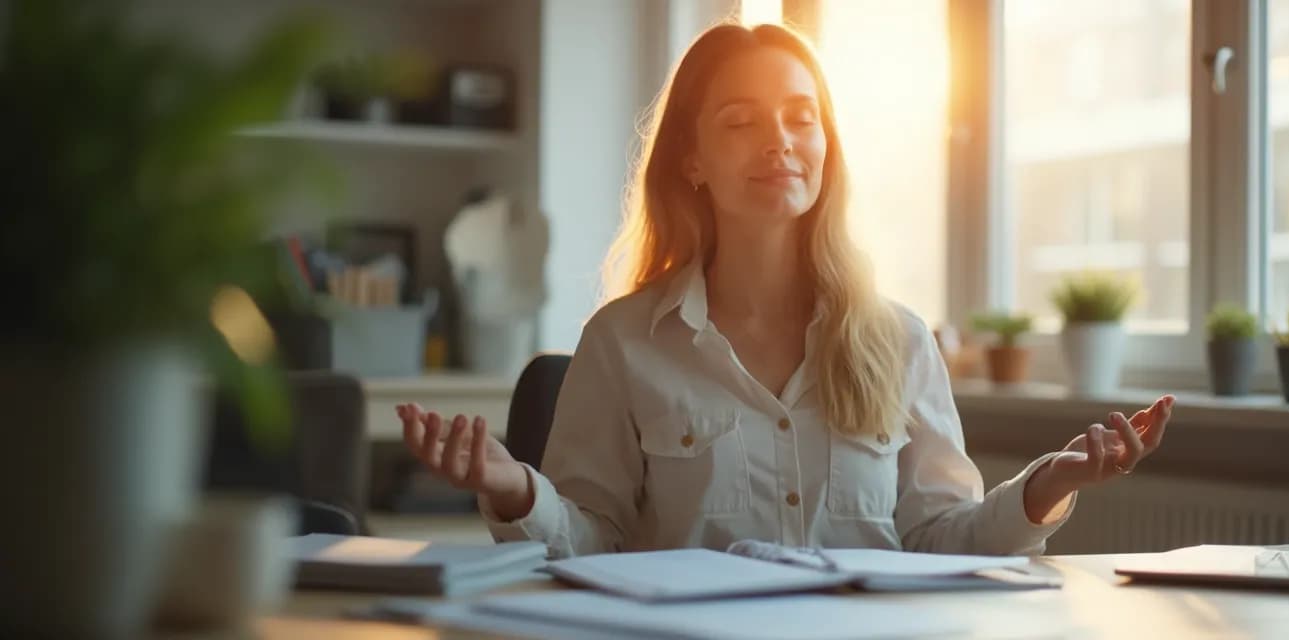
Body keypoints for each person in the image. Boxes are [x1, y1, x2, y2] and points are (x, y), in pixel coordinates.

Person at [397, 22, 1174, 559]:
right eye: (740, 122)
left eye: (801, 118)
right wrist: (513, 490)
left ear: (826, 145)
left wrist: (1051, 485)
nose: (779, 141)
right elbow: (595, 544)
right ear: (692, 159)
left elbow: (942, 542)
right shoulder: (624, 341)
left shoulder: (898, 341)